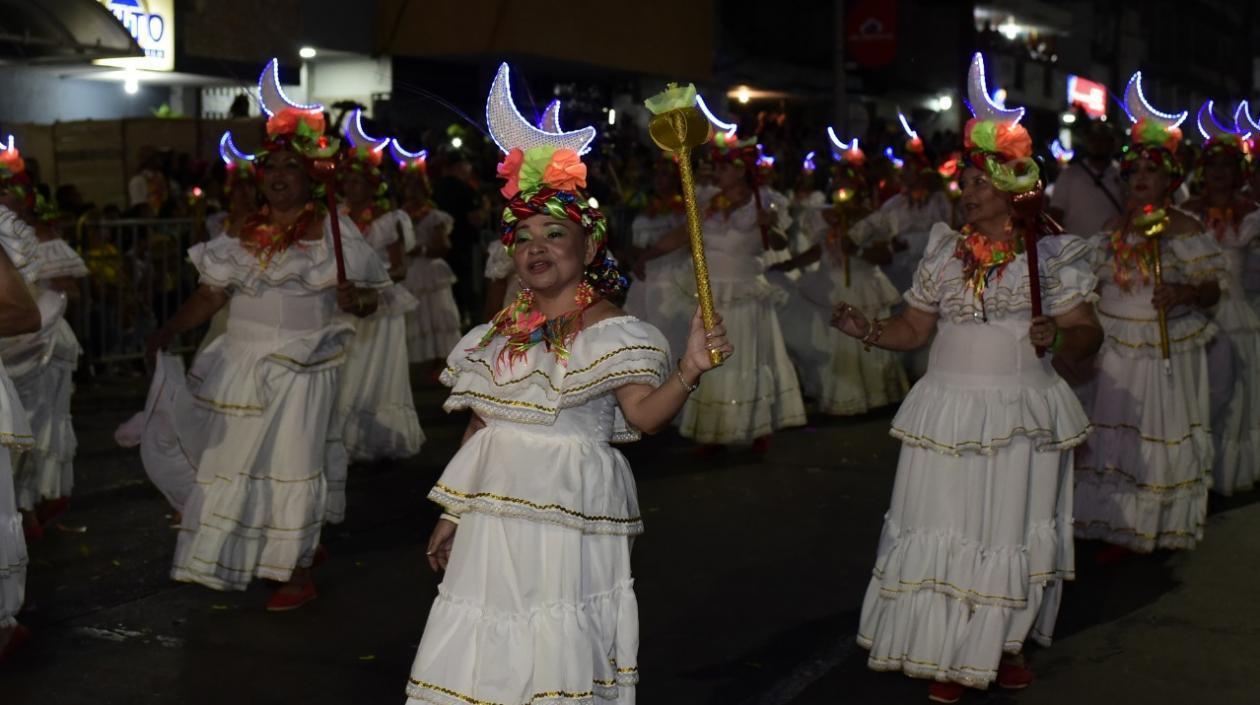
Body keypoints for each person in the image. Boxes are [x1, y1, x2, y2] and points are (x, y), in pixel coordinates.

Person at [402, 63, 733, 705]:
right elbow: (481, 424)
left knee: (553, 637)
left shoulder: (613, 331)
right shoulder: (497, 332)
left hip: (569, 503)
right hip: (494, 501)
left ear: (588, 247)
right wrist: (453, 512)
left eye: (555, 235)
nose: (536, 248)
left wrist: (689, 369)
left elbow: (644, 417)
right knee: (485, 630)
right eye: (523, 238)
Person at [832, 55, 1101, 703]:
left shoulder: (1051, 254)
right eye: (966, 180)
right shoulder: (942, 251)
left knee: (1006, 526)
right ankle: (948, 651)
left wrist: (1058, 336)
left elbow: (1087, 333)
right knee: (946, 523)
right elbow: (914, 331)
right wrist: (867, 329)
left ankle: (1001, 644)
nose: (968, 191)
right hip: (948, 409)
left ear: (1015, 186)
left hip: (1018, 408)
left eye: (980, 181)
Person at [139, 60, 391, 611]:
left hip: (303, 364)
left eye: (289, 167)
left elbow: (373, 299)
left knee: (291, 464)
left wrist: (359, 299)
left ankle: (295, 568)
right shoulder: (240, 236)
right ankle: (272, 550)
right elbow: (211, 297)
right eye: (270, 166)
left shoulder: (332, 232)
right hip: (240, 362)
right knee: (239, 462)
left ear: (310, 177)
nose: (277, 176)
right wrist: (168, 329)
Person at [1073, 73, 1223, 556]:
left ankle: (1150, 520)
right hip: (1114, 343)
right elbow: (1092, 282)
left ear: (1169, 180)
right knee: (1109, 427)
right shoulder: (1112, 226)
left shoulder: (1184, 226)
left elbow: (1211, 289)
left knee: (1151, 430)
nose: (1139, 178)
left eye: (1150, 171)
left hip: (1160, 345)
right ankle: (1107, 517)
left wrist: (1182, 291)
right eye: (1133, 170)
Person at [637, 130, 805, 453]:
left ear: (742, 170)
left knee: (748, 358)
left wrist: (770, 224)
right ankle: (713, 431)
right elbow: (683, 236)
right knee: (711, 359)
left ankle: (756, 427)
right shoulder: (708, 202)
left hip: (746, 292)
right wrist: (649, 253)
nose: (718, 174)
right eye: (717, 168)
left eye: (725, 168)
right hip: (712, 294)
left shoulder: (766, 199)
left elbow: (780, 244)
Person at [771, 135, 907, 415]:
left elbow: (886, 255)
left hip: (863, 284)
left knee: (863, 335)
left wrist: (855, 251)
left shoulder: (873, 218)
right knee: (832, 340)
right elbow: (819, 250)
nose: (840, 187)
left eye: (847, 182)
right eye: (838, 181)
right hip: (831, 284)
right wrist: (788, 265)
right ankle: (837, 395)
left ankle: (873, 396)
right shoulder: (825, 216)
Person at [333, 113, 424, 470]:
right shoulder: (336, 217)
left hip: (380, 305)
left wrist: (377, 283)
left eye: (358, 183)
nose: (351, 188)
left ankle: (375, 432)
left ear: (372, 186)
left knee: (376, 369)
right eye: (348, 182)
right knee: (348, 366)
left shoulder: (389, 220)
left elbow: (401, 267)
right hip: (348, 303)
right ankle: (343, 434)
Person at [1181, 104, 1260, 496]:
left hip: (1238, 312)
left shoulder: (1251, 214)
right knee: (1200, 393)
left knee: (1236, 393)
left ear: (1237, 171)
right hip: (1196, 309)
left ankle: (1228, 470)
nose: (1218, 174)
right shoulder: (1187, 214)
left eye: (1226, 166)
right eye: (1212, 166)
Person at [393, 143, 462, 365]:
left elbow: (443, 246)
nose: (411, 191)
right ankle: (416, 365)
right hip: (408, 272)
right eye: (407, 186)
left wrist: (419, 249)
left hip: (429, 271)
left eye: (416, 186)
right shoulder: (398, 216)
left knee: (435, 317)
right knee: (414, 320)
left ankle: (439, 364)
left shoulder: (434, 216)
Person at [625, 156, 689, 361]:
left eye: (666, 175)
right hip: (649, 277)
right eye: (658, 176)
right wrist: (637, 257)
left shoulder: (685, 212)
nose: (660, 181)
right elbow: (635, 247)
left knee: (673, 331)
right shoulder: (646, 213)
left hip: (678, 276)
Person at [1048, 120, 1126, 236]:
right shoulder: (1069, 174)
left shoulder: (1123, 174)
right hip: (1076, 248)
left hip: (1113, 248)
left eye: (1103, 139)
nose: (1098, 144)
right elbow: (1056, 213)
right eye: (1093, 139)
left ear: (1112, 143)